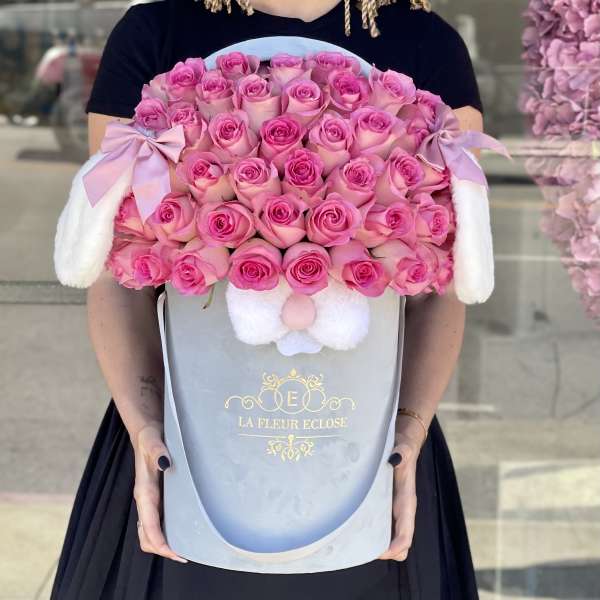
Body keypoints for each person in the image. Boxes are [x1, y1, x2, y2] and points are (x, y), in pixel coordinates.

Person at [50, 1, 485, 598]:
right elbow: (118, 264)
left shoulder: (426, 44)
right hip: (186, 435)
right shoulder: (154, 33)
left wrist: (408, 436)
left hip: (369, 440)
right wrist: (146, 428)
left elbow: (442, 280)